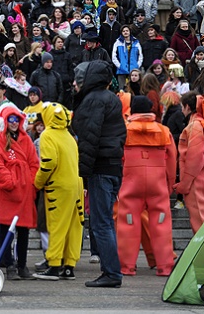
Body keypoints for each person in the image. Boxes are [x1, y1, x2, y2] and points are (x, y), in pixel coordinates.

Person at [71, 61, 126, 288]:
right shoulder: (112, 97)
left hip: (101, 168)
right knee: (106, 222)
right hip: (112, 166)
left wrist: (84, 172)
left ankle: (112, 273)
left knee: (100, 223)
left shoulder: (94, 100)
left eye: (78, 79)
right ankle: (110, 271)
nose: (74, 83)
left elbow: (89, 136)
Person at [117, 96, 176, 277]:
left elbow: (116, 157)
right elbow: (172, 160)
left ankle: (127, 267)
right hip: (157, 183)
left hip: (130, 182)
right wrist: (170, 184)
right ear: (151, 109)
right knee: (161, 224)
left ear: (132, 110)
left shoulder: (123, 131)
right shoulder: (164, 131)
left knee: (128, 223)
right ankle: (165, 267)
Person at [33, 103, 84, 280]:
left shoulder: (47, 135)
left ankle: (54, 265)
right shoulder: (70, 136)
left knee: (57, 226)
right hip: (75, 185)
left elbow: (48, 163)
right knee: (73, 227)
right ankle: (69, 266)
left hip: (58, 187)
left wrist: (38, 182)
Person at [0, 104, 40, 280]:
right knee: (5, 229)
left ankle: (22, 266)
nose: (13, 122)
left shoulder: (26, 139)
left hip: (25, 190)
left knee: (24, 230)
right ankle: (9, 265)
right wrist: (10, 182)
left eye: (16, 119)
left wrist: (32, 184)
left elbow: (34, 163)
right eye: (10, 119)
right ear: (4, 121)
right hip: (7, 192)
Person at [176, 91, 204, 233]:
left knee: (200, 221)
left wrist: (185, 184)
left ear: (187, 107)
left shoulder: (195, 126)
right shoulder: (202, 123)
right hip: (201, 177)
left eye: (182, 107)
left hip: (196, 180)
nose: (181, 110)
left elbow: (195, 157)